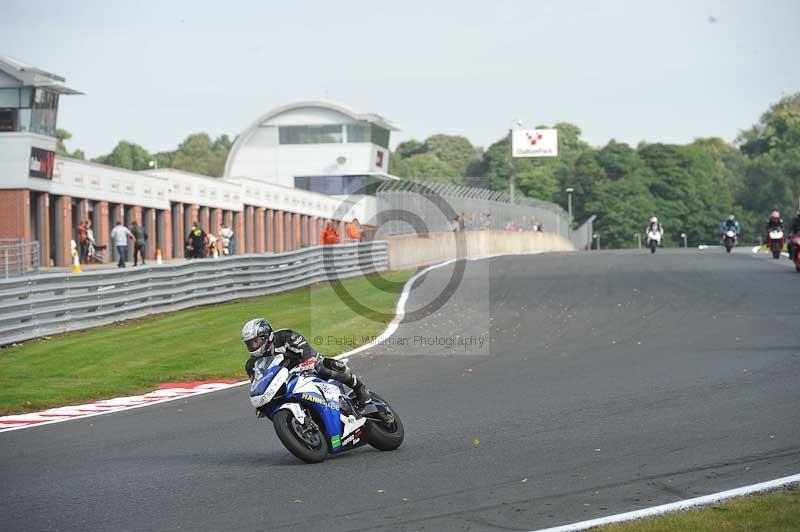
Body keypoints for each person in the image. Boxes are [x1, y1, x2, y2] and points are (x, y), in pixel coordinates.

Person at [241, 318, 373, 412]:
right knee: (269, 406)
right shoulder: (251, 364)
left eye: (255, 341)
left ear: (266, 336)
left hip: (306, 365)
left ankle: (360, 389)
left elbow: (305, 349)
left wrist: (308, 362)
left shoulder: (285, 336)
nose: (253, 346)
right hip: (285, 381)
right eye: (249, 343)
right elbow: (259, 383)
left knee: (324, 366)